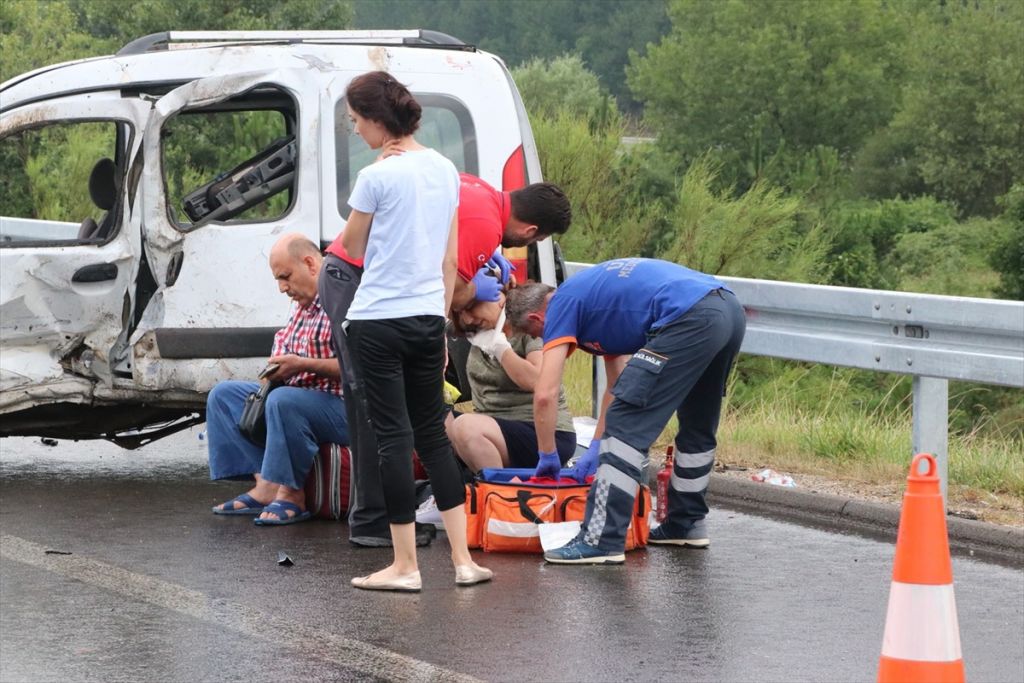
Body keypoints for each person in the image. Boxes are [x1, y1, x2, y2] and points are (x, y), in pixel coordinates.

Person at [322, 159, 571, 548]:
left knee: (383, 405)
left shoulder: (477, 187)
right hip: (358, 278)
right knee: (378, 405)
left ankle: (379, 516)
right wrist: (477, 290)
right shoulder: (487, 225)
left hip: (354, 272)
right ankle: (374, 521)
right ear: (530, 231)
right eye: (527, 242)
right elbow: (447, 290)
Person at [339, 70, 491, 591]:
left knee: (393, 438)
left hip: (377, 320)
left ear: (378, 121)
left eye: (357, 121)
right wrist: (441, 318)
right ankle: (464, 561)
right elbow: (450, 258)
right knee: (433, 434)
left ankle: (405, 567)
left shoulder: (376, 175)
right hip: (429, 319)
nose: (356, 130)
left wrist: (371, 186)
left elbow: (351, 249)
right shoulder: (446, 170)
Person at [508, 257, 746, 564]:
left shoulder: (561, 305)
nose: (545, 339)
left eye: (539, 335)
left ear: (537, 318)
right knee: (697, 422)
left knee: (624, 424)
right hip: (727, 309)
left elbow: (545, 393)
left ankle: (601, 539)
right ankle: (685, 524)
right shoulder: (594, 301)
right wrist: (595, 445)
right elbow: (617, 383)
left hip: (689, 317)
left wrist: (547, 454)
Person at [207, 233, 348, 525]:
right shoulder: (303, 305)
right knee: (223, 396)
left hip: (344, 406)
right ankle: (266, 485)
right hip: (299, 396)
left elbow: (359, 366)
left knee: (284, 401)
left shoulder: (342, 299)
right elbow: (283, 346)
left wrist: (301, 365)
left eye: (286, 277)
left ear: (310, 263)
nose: (283, 288)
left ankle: (292, 494)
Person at [447, 294, 576, 472]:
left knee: (466, 427)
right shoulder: (478, 333)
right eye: (460, 312)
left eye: (471, 306)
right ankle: (453, 493)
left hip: (543, 433)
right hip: (493, 427)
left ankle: (503, 495)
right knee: (434, 417)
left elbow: (539, 380)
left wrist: (501, 350)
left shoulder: (527, 329)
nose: (467, 318)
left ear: (499, 297)